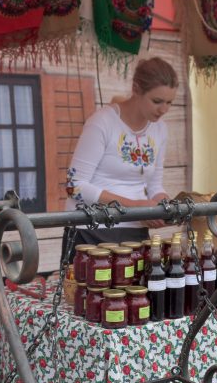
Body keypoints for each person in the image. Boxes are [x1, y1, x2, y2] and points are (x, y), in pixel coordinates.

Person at [65, 57, 178, 245]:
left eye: (169, 102)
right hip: (91, 229)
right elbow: (73, 186)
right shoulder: (102, 122)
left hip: (136, 230)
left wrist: (165, 207)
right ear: (136, 89)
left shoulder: (160, 129)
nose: (164, 109)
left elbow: (154, 185)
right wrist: (135, 206)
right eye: (157, 101)